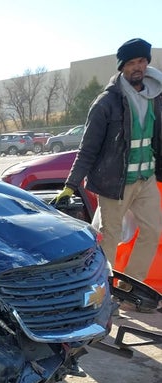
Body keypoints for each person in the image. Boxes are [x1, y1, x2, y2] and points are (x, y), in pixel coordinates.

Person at [55, 38, 162, 292]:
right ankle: (102, 293)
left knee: (153, 230)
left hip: (145, 179)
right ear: (122, 67)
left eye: (142, 61)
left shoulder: (156, 96)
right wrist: (70, 185)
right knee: (109, 237)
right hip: (115, 182)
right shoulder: (106, 102)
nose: (138, 67)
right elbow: (88, 149)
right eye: (132, 62)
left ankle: (129, 289)